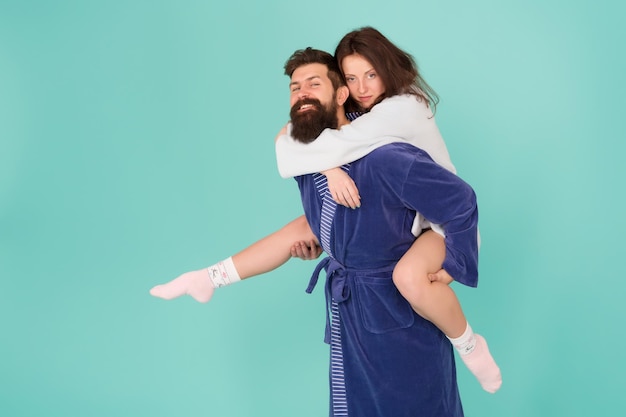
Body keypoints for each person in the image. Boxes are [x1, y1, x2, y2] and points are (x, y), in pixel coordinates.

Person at [151, 46, 479, 416]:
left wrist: (458, 258)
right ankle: (209, 277)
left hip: (397, 314)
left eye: (314, 83)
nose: (302, 92)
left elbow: (458, 200)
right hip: (352, 315)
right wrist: (327, 189)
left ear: (341, 94)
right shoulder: (307, 157)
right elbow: (320, 210)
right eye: (294, 87)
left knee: (415, 405)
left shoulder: (387, 155)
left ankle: (470, 344)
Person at [275, 27, 501, 394]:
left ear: (388, 69)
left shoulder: (403, 108)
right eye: (351, 78)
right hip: (410, 227)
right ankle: (215, 276)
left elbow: (303, 147)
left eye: (371, 74)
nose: (362, 88)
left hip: (444, 226)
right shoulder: (361, 110)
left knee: (409, 278)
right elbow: (293, 137)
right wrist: (330, 172)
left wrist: (454, 265)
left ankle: (470, 344)